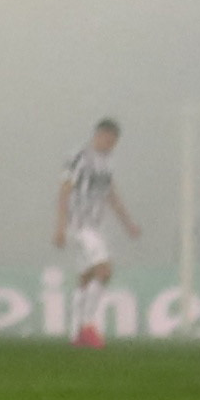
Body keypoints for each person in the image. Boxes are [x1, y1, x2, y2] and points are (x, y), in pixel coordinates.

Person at [54, 120, 140, 347]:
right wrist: (61, 226)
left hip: (95, 226)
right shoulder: (79, 157)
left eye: (115, 142)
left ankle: (75, 334)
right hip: (79, 225)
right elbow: (64, 190)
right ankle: (88, 325)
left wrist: (128, 223)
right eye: (109, 139)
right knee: (104, 270)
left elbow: (111, 194)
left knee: (86, 277)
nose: (112, 145)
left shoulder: (107, 163)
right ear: (99, 135)